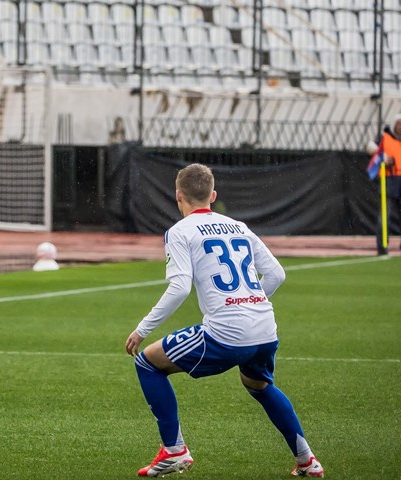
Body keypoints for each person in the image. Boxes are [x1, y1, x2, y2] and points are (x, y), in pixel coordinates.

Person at [125, 164, 324, 478]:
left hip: (227, 333)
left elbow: (179, 287)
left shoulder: (179, 231)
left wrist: (142, 329)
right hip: (265, 328)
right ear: (213, 196)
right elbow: (276, 274)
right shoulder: (238, 226)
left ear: (178, 196)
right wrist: (252, 302)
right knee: (259, 385)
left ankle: (175, 451)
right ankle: (307, 461)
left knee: (148, 363)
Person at [366, 114, 401, 255]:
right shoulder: (385, 138)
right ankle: (382, 246)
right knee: (384, 216)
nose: (400, 127)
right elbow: (370, 148)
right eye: (398, 124)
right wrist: (383, 158)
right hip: (389, 180)